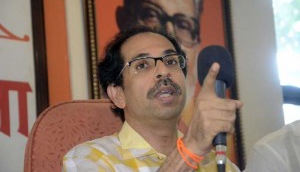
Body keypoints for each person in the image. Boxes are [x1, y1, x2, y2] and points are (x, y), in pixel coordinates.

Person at [63, 26, 243, 171]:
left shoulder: (220, 164)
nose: (164, 71)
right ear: (118, 94)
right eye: (142, 65)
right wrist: (190, 149)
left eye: (171, 61)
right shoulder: (89, 159)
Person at [115, 0, 203, 128]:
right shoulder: (93, 153)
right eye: (151, 14)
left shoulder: (210, 151)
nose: (170, 34)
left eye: (183, 24)